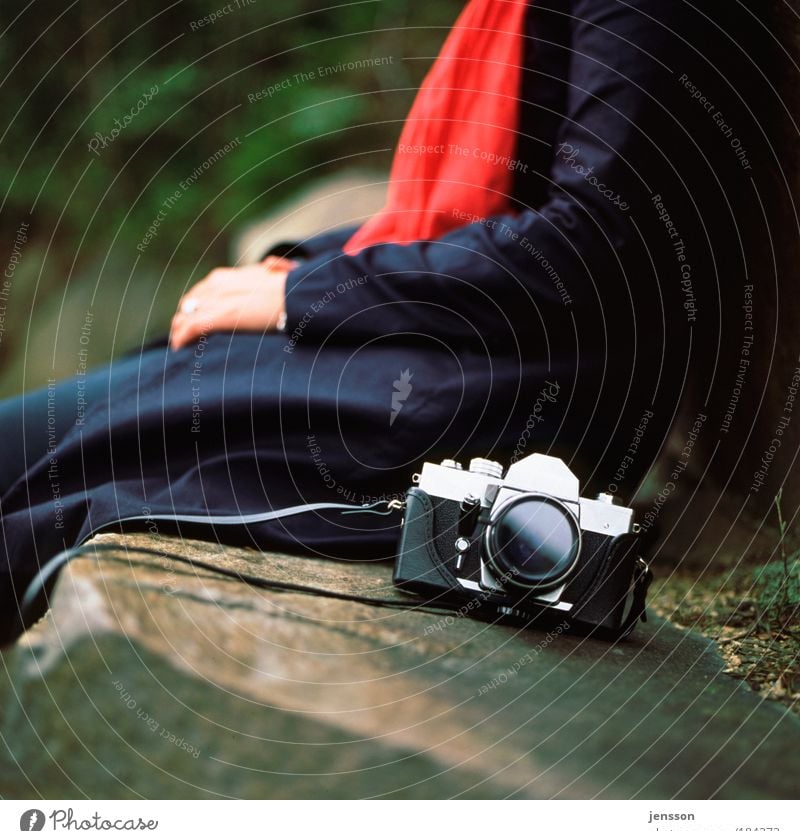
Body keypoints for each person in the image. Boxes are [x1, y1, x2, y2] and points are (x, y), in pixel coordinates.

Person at [0, 0, 758, 645]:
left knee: (53, 493)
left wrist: (313, 295)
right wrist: (303, 269)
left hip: (491, 385)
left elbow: (592, 244)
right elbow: (463, 213)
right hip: (431, 340)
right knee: (24, 439)